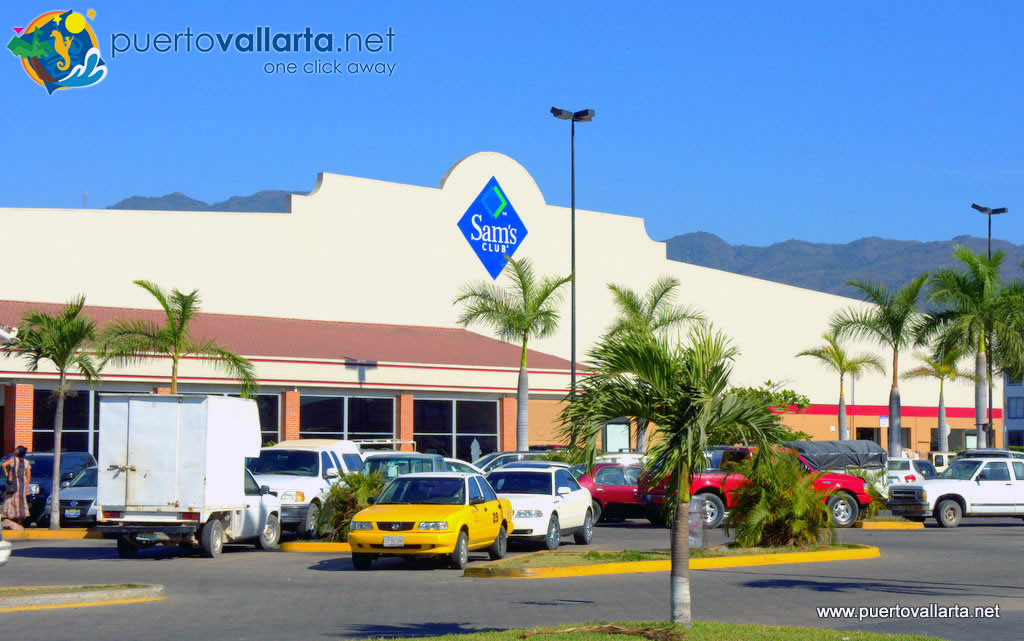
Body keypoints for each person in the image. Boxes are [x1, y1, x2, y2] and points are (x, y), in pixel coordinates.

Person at [2, 446, 31, 529]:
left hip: (13, 485)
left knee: (10, 501)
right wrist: (27, 485)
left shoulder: (12, 460)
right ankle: (19, 522)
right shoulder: (26, 462)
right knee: (20, 503)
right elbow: (28, 474)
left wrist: (7, 474)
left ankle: (10, 519)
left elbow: (3, 464)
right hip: (21, 486)